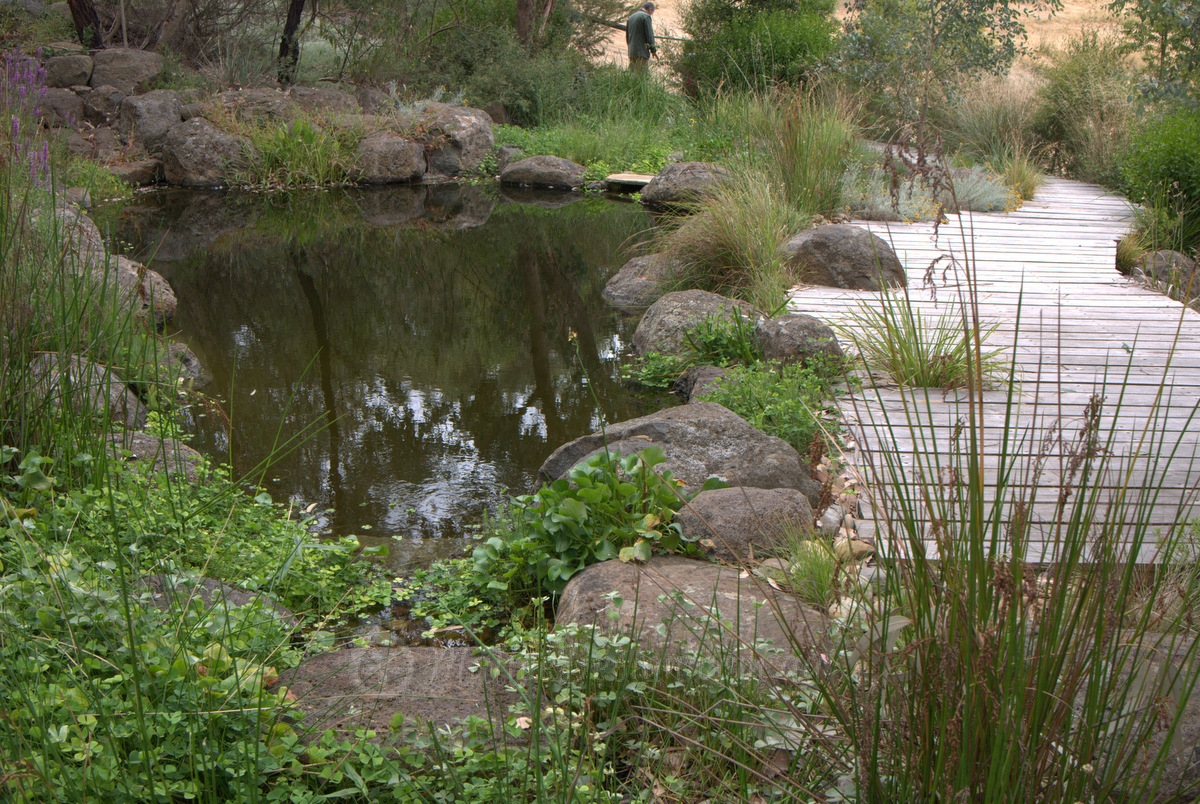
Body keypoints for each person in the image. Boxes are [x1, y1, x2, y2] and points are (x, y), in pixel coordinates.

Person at [626, 2, 657, 71]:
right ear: (650, 9)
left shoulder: (631, 17)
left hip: (631, 52)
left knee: (632, 76)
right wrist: (653, 50)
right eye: (652, 12)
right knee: (642, 76)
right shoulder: (646, 17)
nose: (651, 14)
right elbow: (650, 35)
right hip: (641, 52)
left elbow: (627, 36)